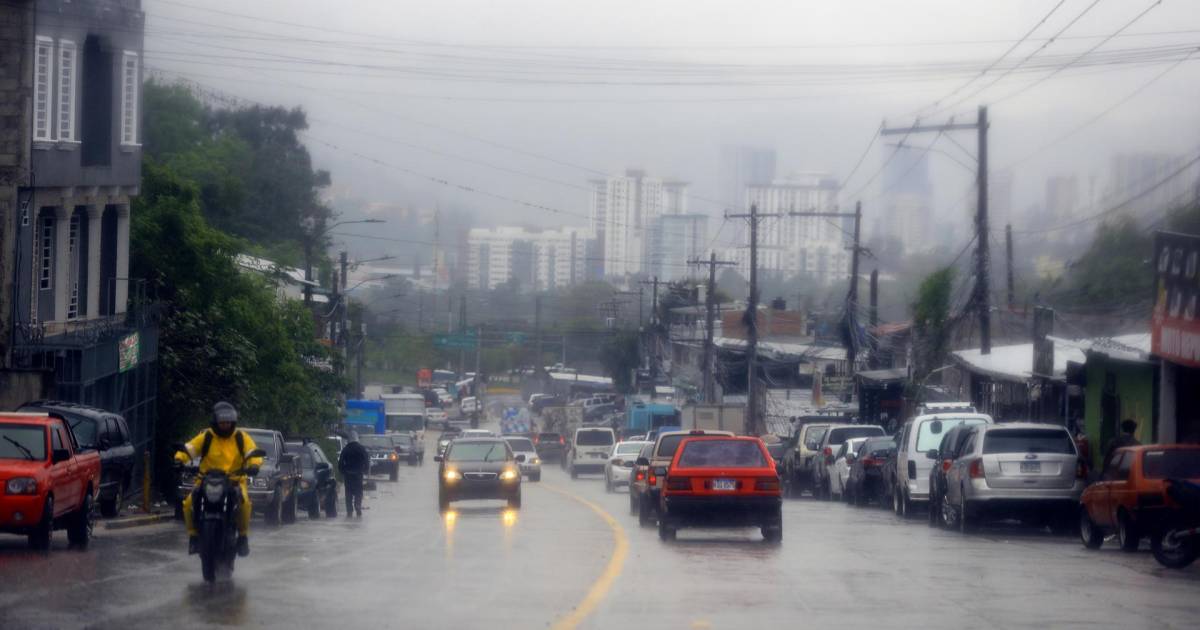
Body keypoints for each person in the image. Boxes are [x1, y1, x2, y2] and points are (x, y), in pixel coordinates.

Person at [175, 402, 263, 557]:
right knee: (189, 503)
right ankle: (194, 537)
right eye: (222, 423)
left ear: (233, 422)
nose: (225, 426)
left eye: (228, 423)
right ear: (215, 422)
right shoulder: (207, 436)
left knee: (244, 504)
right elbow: (190, 449)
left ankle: (242, 537)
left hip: (234, 480)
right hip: (205, 480)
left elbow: (251, 451)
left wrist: (254, 464)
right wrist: (179, 458)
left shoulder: (241, 437)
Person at [339, 432, 369, 517]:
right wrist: (365, 470)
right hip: (358, 474)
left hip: (348, 475)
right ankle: (357, 505)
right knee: (358, 491)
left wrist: (342, 471)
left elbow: (340, 462)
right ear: (357, 438)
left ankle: (349, 511)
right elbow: (366, 460)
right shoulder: (361, 448)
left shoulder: (346, 449)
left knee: (348, 493)